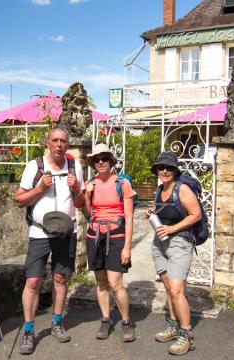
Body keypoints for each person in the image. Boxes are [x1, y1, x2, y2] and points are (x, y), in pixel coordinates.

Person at [14, 126, 85, 355]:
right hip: (39, 233)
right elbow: (19, 200)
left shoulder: (75, 166)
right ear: (48, 142)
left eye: (63, 141)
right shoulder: (35, 166)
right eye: (54, 140)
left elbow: (81, 203)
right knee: (33, 281)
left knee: (60, 278)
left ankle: (56, 321)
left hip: (66, 232)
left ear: (67, 143)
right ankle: (28, 330)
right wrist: (40, 188)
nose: (59, 144)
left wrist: (76, 188)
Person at [147, 152, 201, 356]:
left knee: (177, 290)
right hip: (159, 243)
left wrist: (172, 229)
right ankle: (172, 326)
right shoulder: (160, 189)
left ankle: (186, 335)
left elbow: (196, 215)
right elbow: (162, 209)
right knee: (169, 288)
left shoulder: (183, 189)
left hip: (179, 243)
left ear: (175, 170)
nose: (165, 171)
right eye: (161, 167)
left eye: (169, 168)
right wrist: (152, 212)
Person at [83, 143, 136, 342]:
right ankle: (106, 319)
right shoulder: (91, 184)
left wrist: (127, 247)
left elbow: (129, 218)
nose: (101, 162)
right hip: (94, 235)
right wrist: (87, 194)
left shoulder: (122, 183)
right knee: (101, 282)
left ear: (111, 161)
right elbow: (88, 214)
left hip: (116, 236)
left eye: (104, 158)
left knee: (116, 283)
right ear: (93, 163)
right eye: (97, 159)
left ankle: (125, 321)